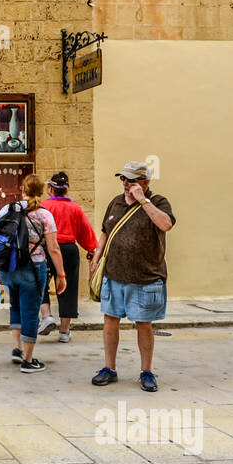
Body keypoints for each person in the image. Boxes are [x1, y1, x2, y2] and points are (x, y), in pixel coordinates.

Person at [89, 161, 176, 393]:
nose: (126, 184)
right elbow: (105, 232)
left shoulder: (158, 202)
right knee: (110, 320)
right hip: (114, 273)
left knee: (144, 324)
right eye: (123, 179)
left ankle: (146, 371)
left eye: (131, 180)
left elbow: (166, 224)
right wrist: (97, 258)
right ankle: (109, 368)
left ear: (145, 182)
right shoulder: (115, 203)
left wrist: (143, 201)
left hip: (145, 276)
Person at [0, 173, 66, 373]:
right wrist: (61, 275)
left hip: (9, 266)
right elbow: (53, 248)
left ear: (22, 189)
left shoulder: (7, 209)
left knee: (15, 306)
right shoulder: (45, 215)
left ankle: (17, 348)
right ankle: (28, 359)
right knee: (30, 311)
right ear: (42, 191)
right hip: (33, 267)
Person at [38, 171, 98, 342]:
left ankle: (47, 316)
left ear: (50, 189)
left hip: (48, 248)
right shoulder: (75, 208)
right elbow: (85, 232)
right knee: (69, 288)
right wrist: (91, 249)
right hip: (70, 250)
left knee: (40, 281)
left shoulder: (44, 206)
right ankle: (64, 332)